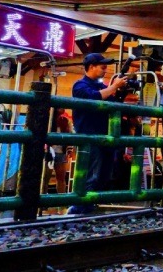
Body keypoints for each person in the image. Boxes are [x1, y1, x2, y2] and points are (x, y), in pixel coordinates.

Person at [68, 53, 128, 214]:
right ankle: (80, 206)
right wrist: (114, 87)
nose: (105, 69)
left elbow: (114, 104)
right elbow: (93, 98)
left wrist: (120, 91)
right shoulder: (79, 85)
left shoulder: (102, 87)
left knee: (103, 175)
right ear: (91, 66)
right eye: (102, 66)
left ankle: (89, 205)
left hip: (104, 136)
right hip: (89, 136)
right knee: (91, 174)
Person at [42, 107, 73, 194]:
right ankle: (43, 204)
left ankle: (61, 203)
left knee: (60, 179)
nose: (62, 109)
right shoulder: (48, 121)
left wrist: (69, 149)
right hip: (49, 152)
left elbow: (71, 135)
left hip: (60, 153)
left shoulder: (65, 121)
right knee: (45, 179)